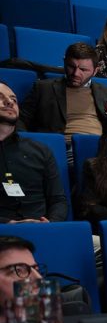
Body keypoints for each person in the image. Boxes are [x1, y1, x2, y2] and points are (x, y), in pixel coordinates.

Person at [19, 43, 107, 136]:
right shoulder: (43, 88)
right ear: (64, 63)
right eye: (71, 67)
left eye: (83, 70)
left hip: (102, 146)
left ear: (95, 71)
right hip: (60, 146)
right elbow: (21, 120)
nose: (76, 73)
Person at [0, 83, 68, 223]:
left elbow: (58, 200)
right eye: (0, 97)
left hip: (41, 229)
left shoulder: (40, 150)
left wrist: (50, 223)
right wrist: (6, 223)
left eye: (14, 99)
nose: (9, 102)